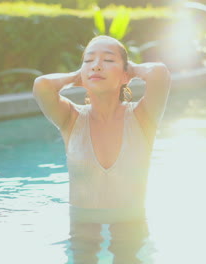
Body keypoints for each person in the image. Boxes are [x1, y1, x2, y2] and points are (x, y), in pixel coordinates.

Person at [33, 35, 171, 263]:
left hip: (131, 225)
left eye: (108, 60)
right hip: (82, 228)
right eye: (88, 60)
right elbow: (42, 85)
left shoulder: (142, 117)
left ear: (126, 74)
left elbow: (160, 73)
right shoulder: (71, 119)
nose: (96, 65)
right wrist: (80, 76)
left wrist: (128, 69)